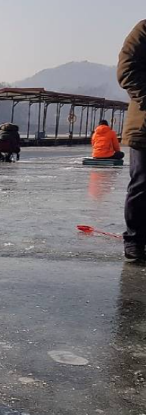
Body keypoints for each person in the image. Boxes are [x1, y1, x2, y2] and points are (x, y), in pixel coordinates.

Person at [119, 19, 146, 262]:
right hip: (145, 127)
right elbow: (126, 69)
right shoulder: (144, 29)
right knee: (142, 184)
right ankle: (135, 239)